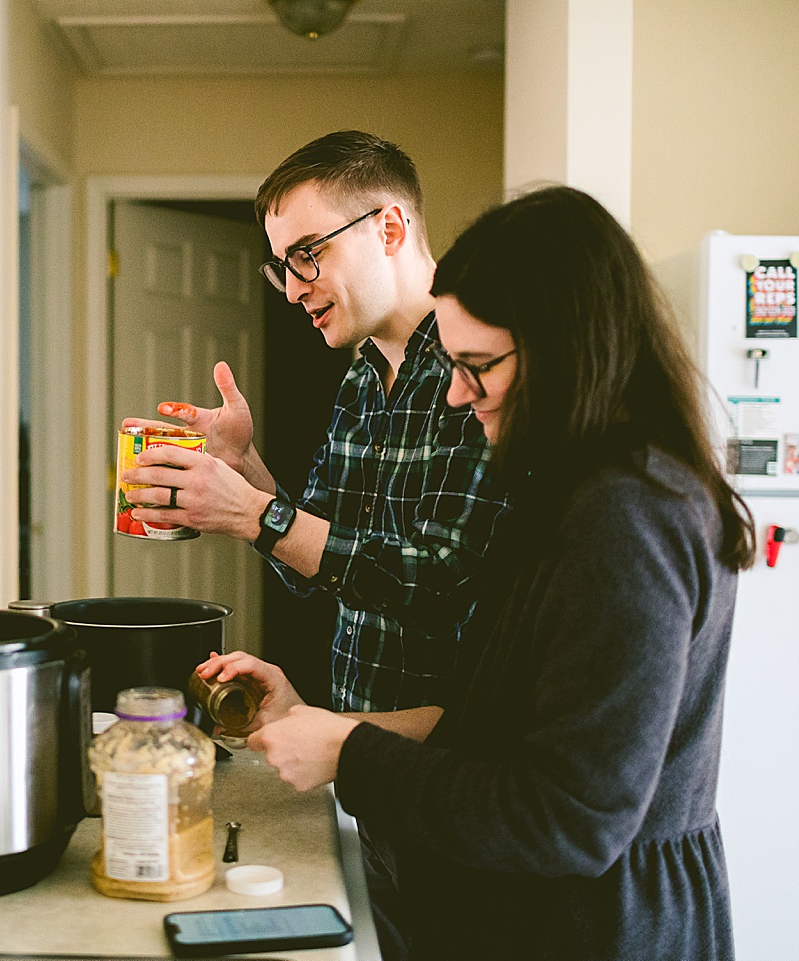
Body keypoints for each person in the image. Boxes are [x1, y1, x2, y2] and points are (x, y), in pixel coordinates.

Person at [197, 185, 756, 960]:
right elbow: (500, 730)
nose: (458, 393)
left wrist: (350, 752)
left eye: (477, 366)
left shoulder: (631, 515)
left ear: (570, 346)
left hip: (602, 929)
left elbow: (570, 814)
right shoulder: (569, 491)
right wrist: (319, 722)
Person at [121, 130, 509, 715]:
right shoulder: (360, 380)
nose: (294, 290)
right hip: (357, 743)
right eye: (282, 266)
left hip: (453, 770)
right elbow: (314, 561)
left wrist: (252, 514)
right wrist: (245, 468)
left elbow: (442, 585)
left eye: (309, 253)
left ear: (390, 230)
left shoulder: (475, 372)